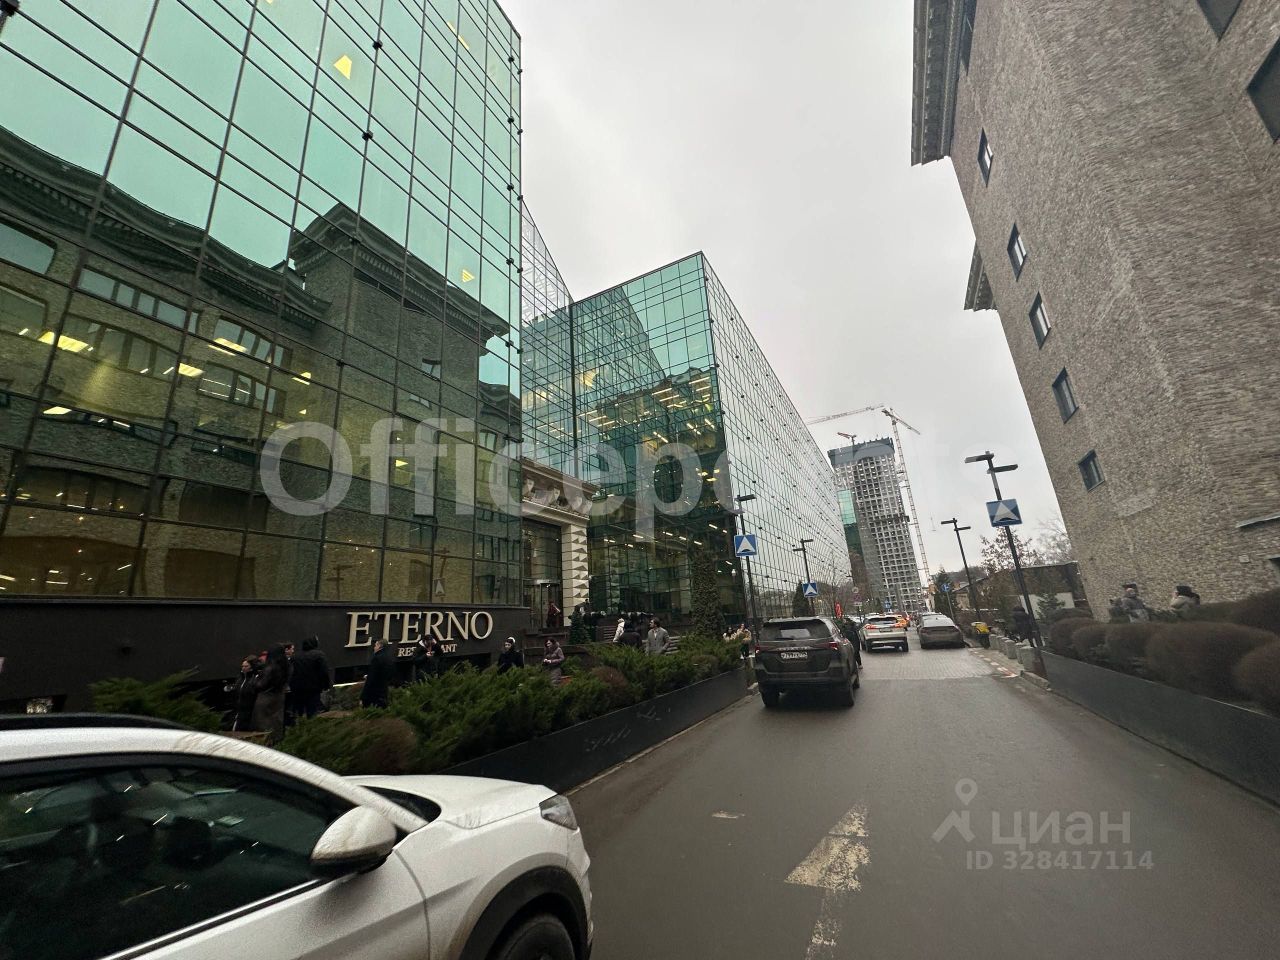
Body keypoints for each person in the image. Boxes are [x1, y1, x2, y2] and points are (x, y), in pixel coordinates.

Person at [252, 644, 290, 743]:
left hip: (266, 696)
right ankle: (277, 741)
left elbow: (261, 684)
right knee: (277, 720)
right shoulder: (286, 666)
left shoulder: (270, 667)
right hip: (279, 696)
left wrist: (255, 681)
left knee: (262, 721)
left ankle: (265, 742)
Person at [289, 636, 331, 719]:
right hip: (313, 689)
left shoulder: (295, 656)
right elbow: (324, 672)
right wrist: (326, 685)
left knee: (298, 711)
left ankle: (298, 723)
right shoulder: (319, 655)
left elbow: (291, 672)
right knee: (312, 711)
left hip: (297, 688)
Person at [224, 656, 258, 732]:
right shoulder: (240, 678)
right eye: (242, 666)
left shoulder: (254, 679)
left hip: (248, 709)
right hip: (238, 708)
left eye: (246, 666)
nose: (243, 668)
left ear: (251, 667)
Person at [361, 638, 396, 708]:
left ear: (380, 646)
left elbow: (372, 677)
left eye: (375, 645)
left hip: (374, 693)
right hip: (384, 691)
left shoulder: (377, 658)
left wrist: (363, 696)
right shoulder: (389, 657)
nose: (374, 648)